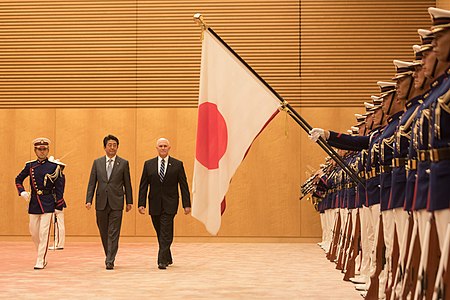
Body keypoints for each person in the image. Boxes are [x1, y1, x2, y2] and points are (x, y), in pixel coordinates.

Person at [138, 138, 191, 269]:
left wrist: (186, 204)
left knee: (166, 231)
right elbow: (143, 186)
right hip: (154, 203)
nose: (163, 148)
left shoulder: (177, 164)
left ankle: (161, 260)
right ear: (156, 148)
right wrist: (141, 203)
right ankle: (167, 256)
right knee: (160, 232)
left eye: (165, 146)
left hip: (170, 203)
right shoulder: (148, 164)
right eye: (160, 146)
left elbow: (183, 185)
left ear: (169, 148)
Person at [15, 137, 66, 269]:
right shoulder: (30, 166)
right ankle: (40, 253)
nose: (42, 152)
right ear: (35, 150)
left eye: (44, 149)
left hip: (48, 203)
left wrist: (58, 204)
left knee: (44, 233)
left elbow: (60, 186)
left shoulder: (54, 167)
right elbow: (18, 179)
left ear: (48, 150)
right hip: (34, 203)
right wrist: (22, 192)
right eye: (39, 149)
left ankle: (40, 260)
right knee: (33, 232)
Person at [86, 134, 133, 270]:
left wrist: (129, 201)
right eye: (109, 145)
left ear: (117, 147)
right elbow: (91, 183)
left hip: (117, 202)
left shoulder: (123, 163)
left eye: (114, 145)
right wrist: (88, 199)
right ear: (105, 147)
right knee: (104, 231)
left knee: (114, 232)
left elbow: (127, 183)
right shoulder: (97, 162)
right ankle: (109, 254)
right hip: (101, 202)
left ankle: (110, 260)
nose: (112, 147)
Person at [48, 156, 67, 250]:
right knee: (57, 223)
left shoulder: (59, 177)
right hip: (55, 202)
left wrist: (57, 203)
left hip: (57, 202)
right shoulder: (59, 177)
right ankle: (58, 242)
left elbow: (59, 191)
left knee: (58, 224)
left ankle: (58, 244)